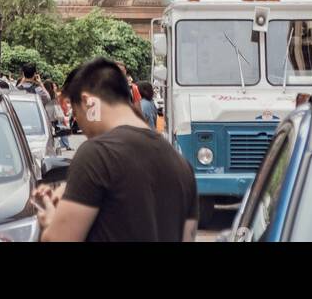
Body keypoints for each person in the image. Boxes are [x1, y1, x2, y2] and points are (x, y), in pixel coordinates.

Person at [35, 57, 198, 243]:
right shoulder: (181, 165)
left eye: (76, 111)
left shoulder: (97, 154)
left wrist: (50, 220)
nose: (78, 122)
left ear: (88, 102)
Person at [43, 78, 72, 150]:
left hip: (46, 114)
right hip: (54, 115)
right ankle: (65, 145)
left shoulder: (44, 93)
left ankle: (53, 145)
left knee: (49, 131)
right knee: (59, 129)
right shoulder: (53, 93)